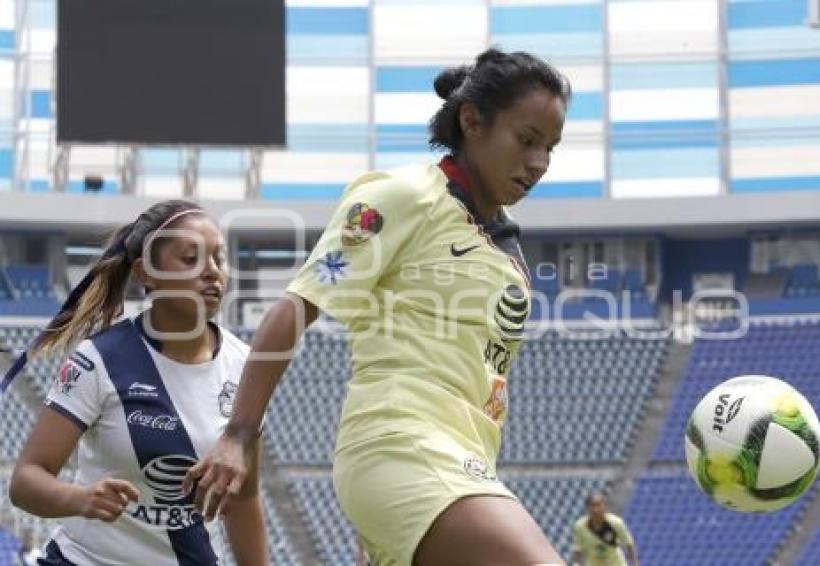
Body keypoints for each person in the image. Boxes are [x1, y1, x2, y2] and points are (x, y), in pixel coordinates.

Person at [186, 48, 570, 565]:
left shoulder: (508, 250)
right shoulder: (405, 196)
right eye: (527, 141)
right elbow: (296, 308)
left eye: (550, 148)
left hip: (465, 461)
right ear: (472, 121)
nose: (539, 163)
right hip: (403, 446)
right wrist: (238, 434)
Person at [6, 200, 268, 565]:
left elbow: (242, 501)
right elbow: (26, 481)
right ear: (146, 274)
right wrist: (81, 499)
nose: (212, 272)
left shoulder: (246, 366)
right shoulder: (98, 359)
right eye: (190, 259)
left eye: (219, 259)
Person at [571, 492, 638, 566]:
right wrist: (577, 564)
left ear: (604, 506)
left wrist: (634, 564)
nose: (596, 510)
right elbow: (578, 549)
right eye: (592, 506)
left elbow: (629, 544)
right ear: (587, 508)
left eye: (598, 505)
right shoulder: (580, 526)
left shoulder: (616, 523)